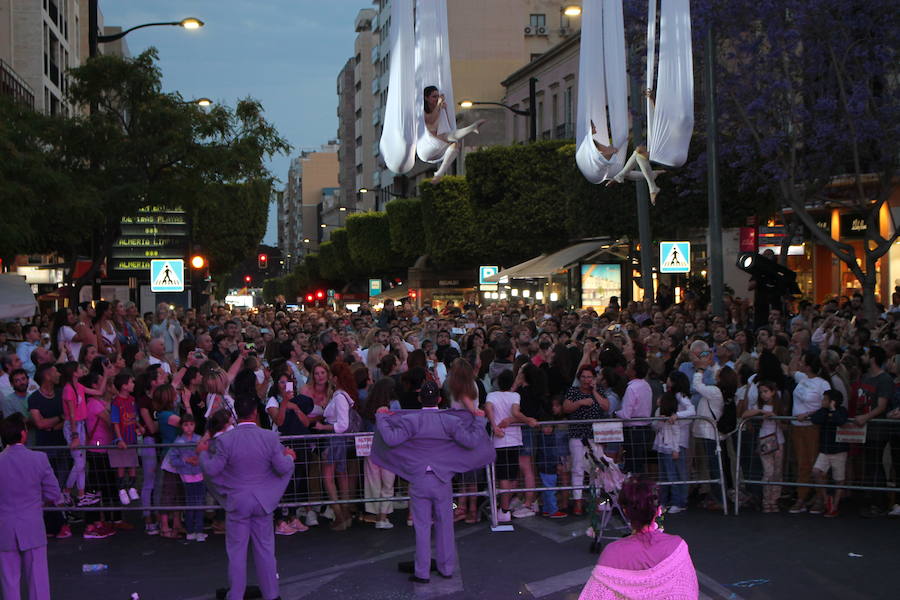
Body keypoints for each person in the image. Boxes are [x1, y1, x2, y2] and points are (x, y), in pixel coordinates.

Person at [372, 381, 494, 584]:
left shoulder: (411, 420)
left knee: (422, 526)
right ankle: (446, 568)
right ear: (439, 399)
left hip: (418, 479)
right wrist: (480, 421)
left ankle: (422, 572)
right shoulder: (450, 421)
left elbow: (391, 439)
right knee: (445, 525)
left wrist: (381, 416)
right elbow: (471, 441)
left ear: (420, 398)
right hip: (443, 480)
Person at [198, 395, 295, 600]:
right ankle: (271, 594)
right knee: (266, 550)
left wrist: (203, 454)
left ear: (236, 415)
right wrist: (289, 456)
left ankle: (236, 595)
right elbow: (282, 467)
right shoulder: (269, 437)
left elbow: (213, 470)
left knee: (237, 553)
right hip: (262, 502)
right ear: (255, 413)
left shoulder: (225, 440)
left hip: (237, 502)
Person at [577, 477, 698, 599]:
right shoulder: (678, 547)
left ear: (625, 511)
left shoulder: (612, 552)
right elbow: (687, 593)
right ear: (659, 511)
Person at [0, 414, 63, 600]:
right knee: (38, 580)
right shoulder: (39, 459)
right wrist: (37, 500)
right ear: (23, 434)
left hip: (4, 527)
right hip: (32, 525)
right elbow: (54, 494)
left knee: (9, 581)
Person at [486, 369, 538, 522]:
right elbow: (515, 412)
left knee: (502, 475)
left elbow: (488, 408)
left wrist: (494, 426)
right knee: (511, 475)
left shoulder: (492, 395)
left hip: (499, 440)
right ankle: (505, 508)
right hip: (515, 439)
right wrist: (528, 420)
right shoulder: (515, 396)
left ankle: (504, 509)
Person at [421, 86, 485, 184]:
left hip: (439, 146)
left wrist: (444, 110)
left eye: (438, 97)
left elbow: (448, 126)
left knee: (455, 144)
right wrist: (439, 105)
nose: (437, 99)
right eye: (434, 97)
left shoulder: (441, 108)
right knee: (445, 137)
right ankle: (470, 129)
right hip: (426, 148)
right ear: (426, 98)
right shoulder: (423, 111)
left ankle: (439, 174)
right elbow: (430, 120)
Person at [741, 381, 786, 513]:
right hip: (764, 441)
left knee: (777, 472)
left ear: (772, 392)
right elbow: (744, 414)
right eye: (761, 392)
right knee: (768, 472)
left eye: (766, 391)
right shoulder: (758, 406)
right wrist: (760, 411)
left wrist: (776, 418)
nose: (763, 395)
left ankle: (774, 499)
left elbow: (785, 425)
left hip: (778, 441)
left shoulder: (779, 406)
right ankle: (766, 500)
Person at [806, 389, 849, 518]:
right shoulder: (822, 412)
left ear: (832, 402)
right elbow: (815, 419)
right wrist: (826, 412)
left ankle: (834, 505)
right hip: (824, 450)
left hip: (839, 450)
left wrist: (832, 410)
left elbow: (840, 421)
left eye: (825, 399)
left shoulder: (841, 411)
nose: (822, 401)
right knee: (816, 471)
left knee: (839, 479)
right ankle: (826, 499)